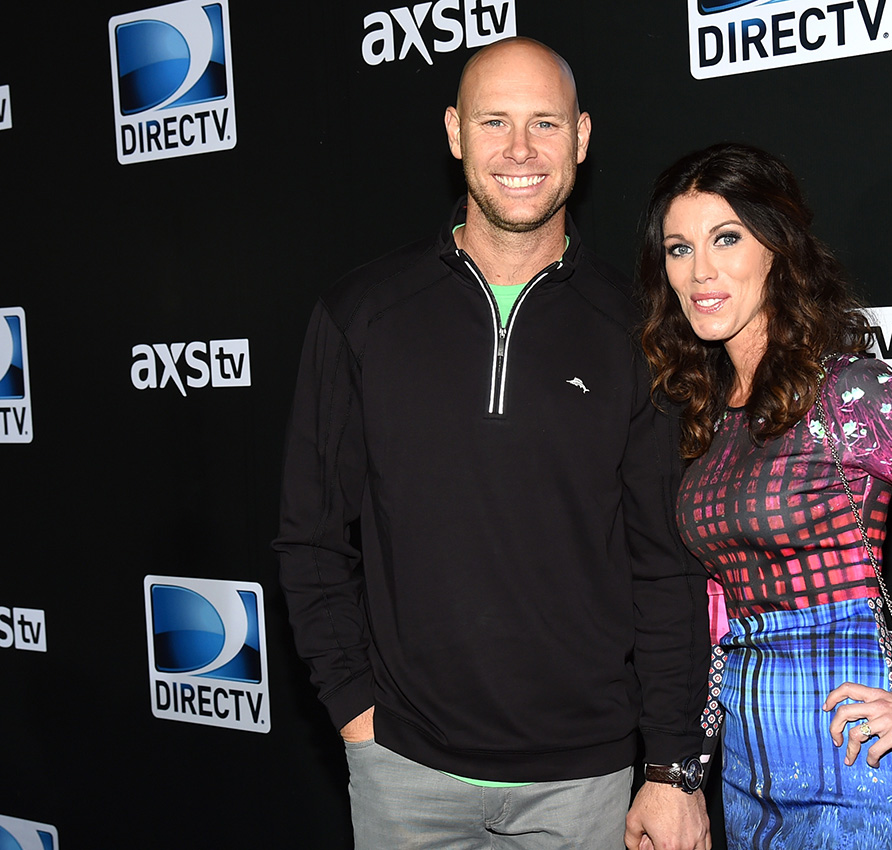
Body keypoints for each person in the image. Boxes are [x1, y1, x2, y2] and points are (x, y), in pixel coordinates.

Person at [275, 37, 711, 850]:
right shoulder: (361, 314)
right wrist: (352, 708)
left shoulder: (640, 329)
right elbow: (310, 535)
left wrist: (672, 766)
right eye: (495, 122)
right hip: (402, 769)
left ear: (582, 137)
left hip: (584, 783)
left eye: (544, 123)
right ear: (454, 132)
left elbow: (667, 565)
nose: (520, 150)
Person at [637, 143, 892, 850]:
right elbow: (717, 610)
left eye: (726, 238)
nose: (699, 270)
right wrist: (692, 765)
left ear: (778, 249)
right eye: (679, 248)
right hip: (746, 774)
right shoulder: (706, 416)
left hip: (857, 761)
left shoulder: (850, 393)